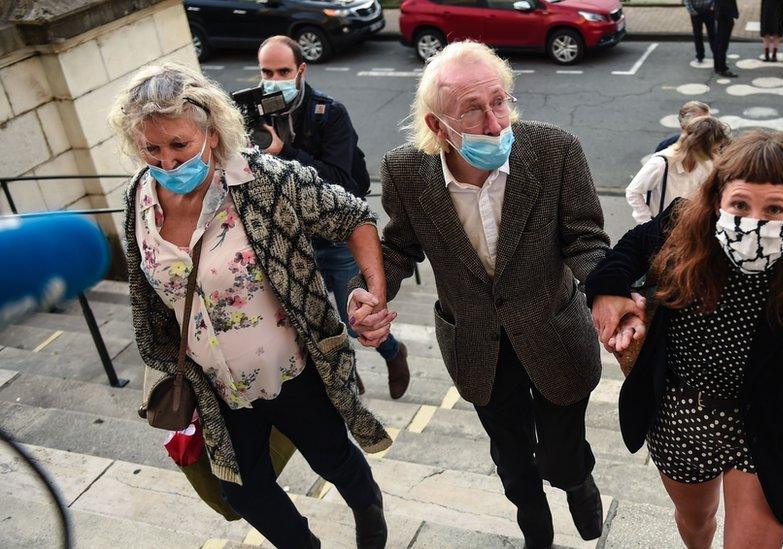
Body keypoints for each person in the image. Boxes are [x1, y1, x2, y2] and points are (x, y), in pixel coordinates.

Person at [109, 63, 395, 549]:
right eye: (151, 149)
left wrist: (374, 290)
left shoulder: (265, 181)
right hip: (213, 384)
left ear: (212, 133)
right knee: (241, 489)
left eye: (180, 144)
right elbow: (148, 291)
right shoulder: (137, 195)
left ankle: (367, 503)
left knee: (330, 457)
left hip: (292, 369)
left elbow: (355, 215)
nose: (168, 163)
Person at [349, 40, 611, 548]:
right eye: (473, 110)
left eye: (500, 101)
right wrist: (369, 293)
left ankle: (577, 481)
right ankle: (533, 523)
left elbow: (585, 239)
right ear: (436, 126)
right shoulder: (406, 172)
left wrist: (608, 293)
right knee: (512, 462)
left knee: (561, 455)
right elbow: (400, 247)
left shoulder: (555, 150)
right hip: (475, 344)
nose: (495, 124)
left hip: (555, 332)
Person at [587, 130, 783, 549]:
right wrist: (607, 290)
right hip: (680, 420)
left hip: (764, 431)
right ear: (717, 200)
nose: (753, 221)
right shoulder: (682, 228)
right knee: (696, 522)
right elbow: (631, 246)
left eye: (774, 208)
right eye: (740, 204)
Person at [256, 35, 411, 399]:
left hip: (336, 239)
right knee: (317, 324)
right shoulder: (255, 113)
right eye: (266, 71)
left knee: (355, 319)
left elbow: (340, 181)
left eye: (282, 70)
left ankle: (394, 351)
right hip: (290, 241)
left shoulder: (329, 112)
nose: (273, 79)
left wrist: (284, 152)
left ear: (301, 70)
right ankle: (348, 375)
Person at [626, 117, 730, 224]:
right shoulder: (661, 163)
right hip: (659, 229)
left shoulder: (707, 165)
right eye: (713, 150)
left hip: (687, 226)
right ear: (698, 147)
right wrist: (646, 222)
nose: (716, 155)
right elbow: (633, 192)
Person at [713, 0, 740, 77]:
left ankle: (718, 66)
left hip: (721, 14)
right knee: (722, 44)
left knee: (719, 42)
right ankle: (722, 69)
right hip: (724, 15)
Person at [685, 0, 717, 64]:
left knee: (713, 34)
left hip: (709, 10)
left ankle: (717, 56)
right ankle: (700, 56)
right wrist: (691, 10)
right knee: (697, 35)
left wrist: (713, 6)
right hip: (696, 11)